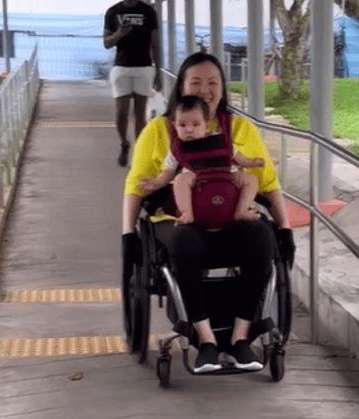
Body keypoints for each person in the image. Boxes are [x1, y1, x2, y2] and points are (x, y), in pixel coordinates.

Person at [122, 52, 295, 374]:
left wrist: (284, 229)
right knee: (185, 241)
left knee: (261, 235)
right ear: (182, 88)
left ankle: (242, 337)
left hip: (231, 218)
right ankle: (205, 341)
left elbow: (268, 182)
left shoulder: (240, 129)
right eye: (196, 82)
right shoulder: (160, 131)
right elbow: (135, 185)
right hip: (179, 220)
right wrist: (128, 235)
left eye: (213, 82)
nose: (206, 89)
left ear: (223, 88)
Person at [140, 94, 265, 227]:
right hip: (196, 179)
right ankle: (187, 213)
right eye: (182, 125)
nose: (189, 129)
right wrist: (156, 183)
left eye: (196, 124)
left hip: (226, 176)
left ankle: (242, 210)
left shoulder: (220, 141)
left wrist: (252, 163)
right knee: (180, 180)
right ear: (174, 125)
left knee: (250, 179)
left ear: (206, 124)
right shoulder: (178, 149)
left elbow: (239, 158)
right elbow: (169, 172)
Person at [103, 0, 163, 167]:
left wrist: (158, 72)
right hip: (121, 67)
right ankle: (124, 143)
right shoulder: (113, 11)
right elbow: (106, 43)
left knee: (140, 113)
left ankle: (139, 152)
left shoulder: (148, 11)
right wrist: (119, 34)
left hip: (144, 67)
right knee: (121, 112)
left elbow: (155, 43)